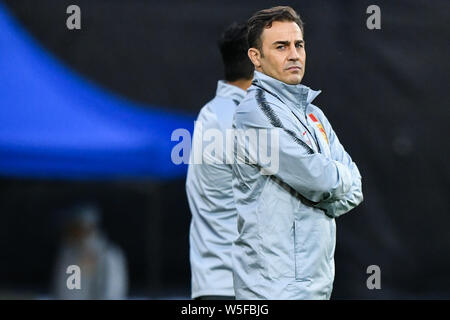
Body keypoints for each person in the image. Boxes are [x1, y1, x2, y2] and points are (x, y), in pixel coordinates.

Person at [231, 6, 363, 299]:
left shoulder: (314, 114)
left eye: (298, 45)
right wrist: (330, 187)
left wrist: (328, 188)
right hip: (271, 291)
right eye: (281, 46)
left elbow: (356, 187)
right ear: (256, 58)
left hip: (314, 287)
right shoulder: (255, 112)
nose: (294, 54)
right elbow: (319, 180)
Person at [185, 22, 254, 300]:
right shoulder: (245, 120)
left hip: (212, 286)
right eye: (279, 48)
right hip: (238, 290)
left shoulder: (211, 113)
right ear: (257, 60)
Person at [52, 203, 128, 300]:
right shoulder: (69, 255)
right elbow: (66, 293)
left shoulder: (110, 256)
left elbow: (113, 293)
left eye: (74, 228)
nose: (68, 233)